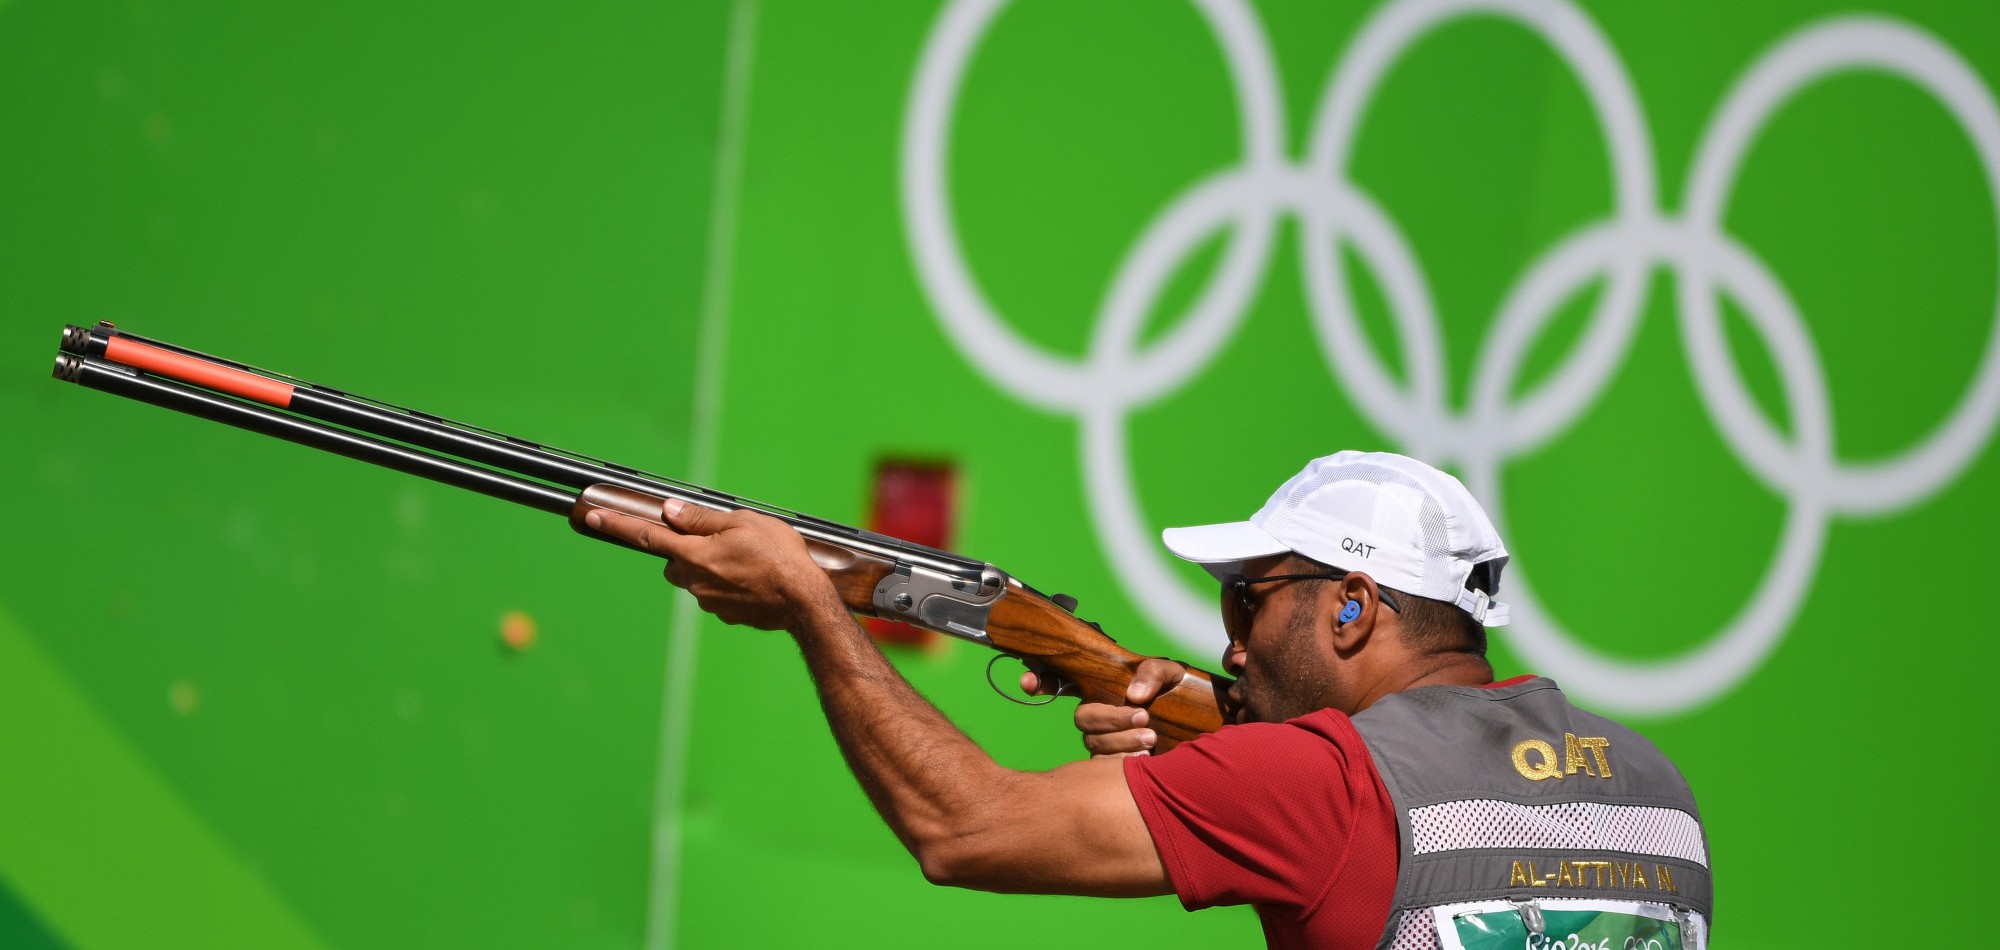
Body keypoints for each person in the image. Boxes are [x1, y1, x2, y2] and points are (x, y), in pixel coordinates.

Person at [583, 450, 1712, 949]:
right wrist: (1212, 733)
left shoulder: (1314, 784)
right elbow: (1449, 811)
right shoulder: (1652, 789)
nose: (1228, 637)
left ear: (1353, 608)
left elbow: (961, 827)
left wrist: (812, 610)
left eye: (1247, 597)